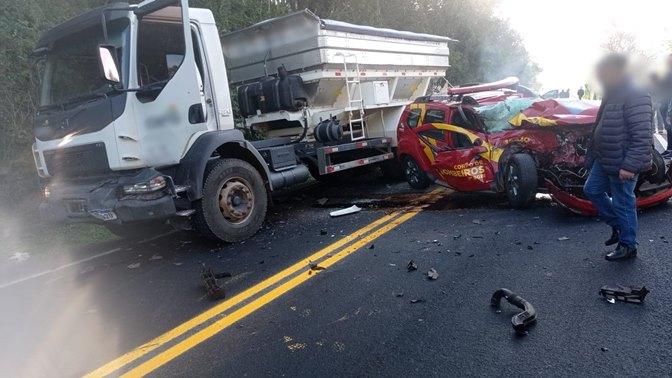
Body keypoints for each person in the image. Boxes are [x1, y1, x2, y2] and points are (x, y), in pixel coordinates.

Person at [583, 53, 653, 261]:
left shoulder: (636, 92)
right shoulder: (612, 92)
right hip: (605, 158)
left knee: (623, 203)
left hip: (623, 162)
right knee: (592, 190)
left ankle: (628, 245)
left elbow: (642, 134)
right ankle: (619, 227)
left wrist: (630, 165)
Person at [658, 54, 672, 157]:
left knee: (670, 127)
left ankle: (671, 150)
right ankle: (669, 148)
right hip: (664, 104)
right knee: (668, 128)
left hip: (669, 105)